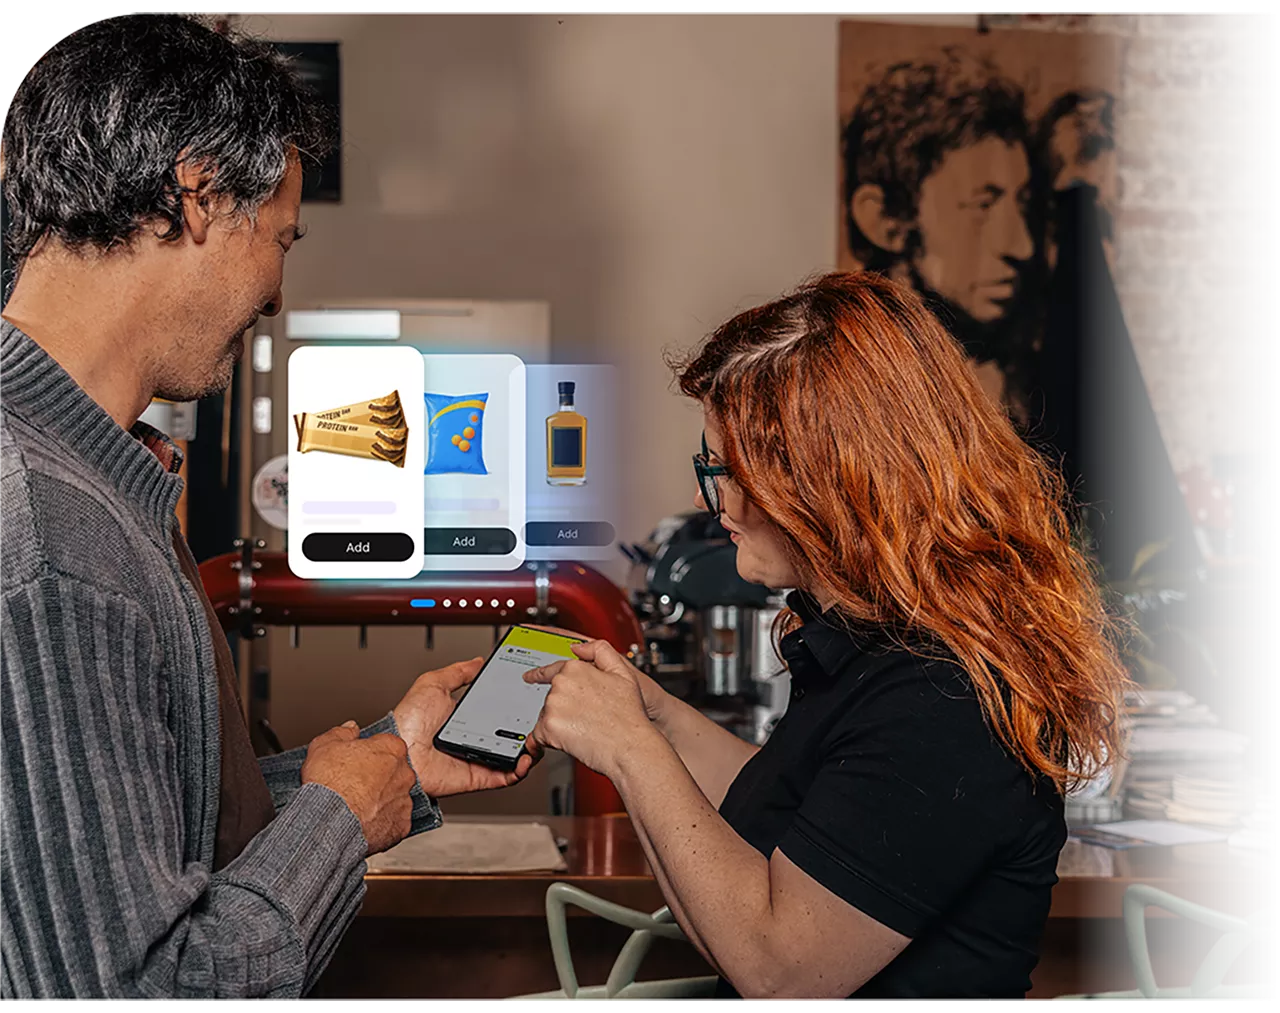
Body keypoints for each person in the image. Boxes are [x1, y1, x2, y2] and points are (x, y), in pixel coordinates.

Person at [0, 14, 530, 999]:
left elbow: (126, 847)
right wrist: (337, 817)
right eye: (281, 237)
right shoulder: (51, 532)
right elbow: (146, 983)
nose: (277, 291)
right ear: (197, 193)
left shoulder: (89, 482)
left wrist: (389, 766)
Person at [523, 272, 1134, 999]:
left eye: (723, 469)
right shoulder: (875, 647)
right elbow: (787, 810)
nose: (704, 495)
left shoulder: (945, 697)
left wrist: (628, 746)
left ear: (825, 478)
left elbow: (783, 972)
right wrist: (648, 710)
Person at [841, 47, 1039, 416]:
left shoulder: (1022, 386)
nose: (1022, 246)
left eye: (1023, 205)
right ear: (886, 221)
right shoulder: (846, 395)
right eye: (983, 205)